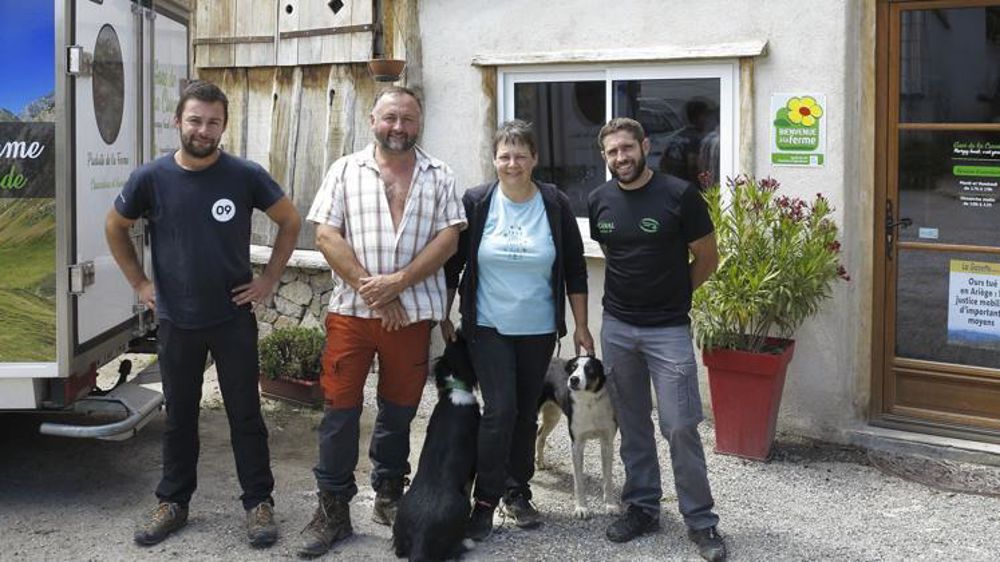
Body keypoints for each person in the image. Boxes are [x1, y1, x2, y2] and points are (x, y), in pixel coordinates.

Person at [105, 80, 301, 548]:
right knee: (179, 417)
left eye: (213, 122)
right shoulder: (150, 178)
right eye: (195, 120)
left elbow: (290, 222)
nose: (203, 129)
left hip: (232, 317)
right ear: (178, 121)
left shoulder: (245, 175)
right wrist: (140, 283)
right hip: (176, 319)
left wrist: (270, 278)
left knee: (245, 414)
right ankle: (173, 501)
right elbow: (115, 226)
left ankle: (258, 503)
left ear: (223, 126)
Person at [298, 86, 466, 559]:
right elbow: (326, 232)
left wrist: (399, 283)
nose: (399, 127)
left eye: (408, 119)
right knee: (340, 410)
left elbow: (449, 237)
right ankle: (332, 508)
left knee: (398, 409)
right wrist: (373, 287)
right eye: (390, 117)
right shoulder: (345, 170)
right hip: (353, 313)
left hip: (409, 317)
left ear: (420, 123)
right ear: (373, 119)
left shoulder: (440, 175)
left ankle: (390, 492)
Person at [443, 119, 592, 541]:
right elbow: (453, 265)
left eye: (521, 156)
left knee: (526, 414)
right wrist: (443, 313)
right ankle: (485, 502)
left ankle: (517, 489)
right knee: (501, 410)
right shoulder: (477, 202)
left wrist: (581, 325)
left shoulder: (555, 203)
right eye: (505, 156)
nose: (513, 163)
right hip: (487, 325)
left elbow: (575, 269)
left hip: (539, 329)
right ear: (494, 159)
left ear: (535, 160)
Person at [587, 117, 726, 562]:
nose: (620, 158)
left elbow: (707, 257)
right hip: (618, 328)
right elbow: (616, 254)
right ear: (604, 156)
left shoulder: (678, 195)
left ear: (644, 146)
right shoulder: (599, 201)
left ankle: (701, 521)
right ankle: (643, 506)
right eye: (612, 152)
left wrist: (675, 295)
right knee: (632, 422)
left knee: (681, 425)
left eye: (627, 148)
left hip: (668, 330)